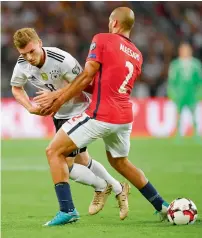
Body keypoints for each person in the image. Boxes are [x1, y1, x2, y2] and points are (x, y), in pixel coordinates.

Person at [36, 7, 169, 227]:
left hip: (101, 115)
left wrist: (57, 100)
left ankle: (67, 210)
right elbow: (102, 85)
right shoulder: (137, 54)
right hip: (125, 117)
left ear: (115, 23)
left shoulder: (103, 39)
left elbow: (88, 74)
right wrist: (65, 89)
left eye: (110, 21)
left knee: (53, 151)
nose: (109, 24)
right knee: (120, 162)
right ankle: (162, 206)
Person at [11, 28, 130, 221]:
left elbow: (82, 85)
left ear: (39, 42)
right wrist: (30, 107)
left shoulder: (61, 59)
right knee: (83, 161)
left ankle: (101, 187)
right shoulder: (23, 63)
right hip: (59, 114)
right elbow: (16, 88)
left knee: (64, 164)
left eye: (32, 51)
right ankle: (118, 188)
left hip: (78, 111)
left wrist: (55, 96)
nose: (29, 57)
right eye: (23, 54)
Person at [167, 43, 202, 140]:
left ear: (191, 51)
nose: (185, 52)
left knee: (194, 114)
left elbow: (199, 81)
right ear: (180, 51)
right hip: (180, 94)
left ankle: (196, 134)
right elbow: (171, 82)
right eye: (183, 50)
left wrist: (199, 94)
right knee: (178, 114)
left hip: (192, 94)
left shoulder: (196, 64)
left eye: (187, 50)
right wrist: (172, 94)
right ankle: (178, 134)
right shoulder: (175, 65)